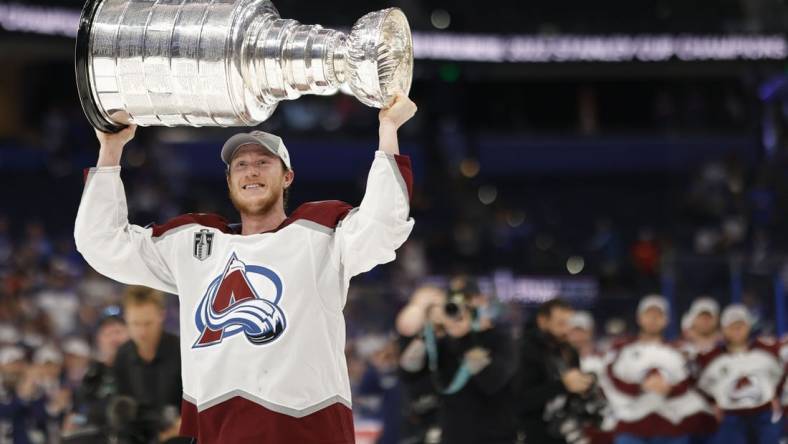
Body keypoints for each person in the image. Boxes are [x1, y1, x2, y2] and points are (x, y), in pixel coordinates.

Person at [74, 94, 417, 443]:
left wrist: (388, 130)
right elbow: (101, 243)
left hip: (306, 432)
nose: (251, 170)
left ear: (287, 177)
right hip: (215, 433)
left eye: (264, 161)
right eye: (241, 164)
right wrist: (111, 148)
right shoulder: (193, 244)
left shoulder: (321, 234)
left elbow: (383, 226)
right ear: (228, 181)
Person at [400, 280, 517, 444]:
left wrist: (467, 338)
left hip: (495, 436)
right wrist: (426, 333)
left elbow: (493, 382)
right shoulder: (442, 341)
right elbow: (407, 373)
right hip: (452, 436)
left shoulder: (499, 338)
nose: (459, 311)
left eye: (466, 302)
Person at [605, 295, 709, 444]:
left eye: (658, 315)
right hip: (630, 426)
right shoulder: (622, 348)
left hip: (671, 426)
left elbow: (691, 383)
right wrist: (640, 387)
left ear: (666, 320)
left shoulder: (679, 351)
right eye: (649, 314)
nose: (653, 319)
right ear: (639, 317)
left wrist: (670, 389)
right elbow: (609, 380)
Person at [696, 304, 784, 444]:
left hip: (764, 413)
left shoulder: (767, 350)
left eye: (740, 325)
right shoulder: (711, 357)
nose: (737, 330)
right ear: (723, 329)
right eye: (732, 326)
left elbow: (781, 373)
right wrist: (712, 402)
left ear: (748, 326)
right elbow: (701, 384)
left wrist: (775, 394)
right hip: (731, 416)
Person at [517, 298, 596, 444]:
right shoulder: (524, 350)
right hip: (532, 435)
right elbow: (519, 401)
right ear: (542, 321)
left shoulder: (569, 351)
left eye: (569, 324)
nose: (567, 330)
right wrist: (562, 385)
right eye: (561, 324)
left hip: (563, 434)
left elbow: (571, 395)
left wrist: (584, 391)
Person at [112, 286, 182, 444]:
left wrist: (181, 426)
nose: (142, 332)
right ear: (126, 320)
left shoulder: (181, 351)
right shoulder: (122, 356)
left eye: (148, 323)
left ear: (161, 316)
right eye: (136, 324)